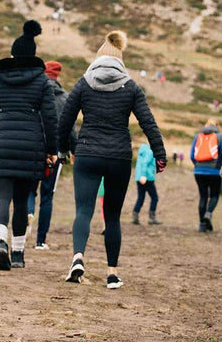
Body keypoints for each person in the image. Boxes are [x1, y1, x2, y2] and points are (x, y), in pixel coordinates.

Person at [58, 31, 167, 289]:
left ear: (97, 58)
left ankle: (78, 258)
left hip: (87, 153)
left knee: (83, 210)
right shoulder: (130, 86)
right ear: (120, 59)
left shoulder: (84, 83)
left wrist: (64, 149)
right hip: (118, 156)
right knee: (113, 216)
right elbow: (148, 123)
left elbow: (65, 121)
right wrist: (160, 155)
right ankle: (112, 273)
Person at [0, 20, 58, 270]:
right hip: (31, 145)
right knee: (23, 201)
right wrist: (51, 150)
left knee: (2, 197)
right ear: (34, 56)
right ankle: (18, 254)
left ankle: (0, 243)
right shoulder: (42, 81)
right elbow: (50, 117)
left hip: (1, 141)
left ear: (13, 54)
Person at [27, 60, 77, 250]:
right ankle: (40, 241)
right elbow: (70, 127)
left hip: (33, 147)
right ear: (57, 75)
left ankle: (27, 218)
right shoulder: (65, 97)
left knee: (30, 190)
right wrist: (74, 150)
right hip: (55, 152)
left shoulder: (34, 92)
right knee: (48, 195)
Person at [190, 118, 222, 232]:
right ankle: (208, 213)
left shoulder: (197, 136)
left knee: (203, 197)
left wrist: (198, 165)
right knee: (214, 195)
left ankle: (202, 225)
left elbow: (191, 155)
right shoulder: (220, 136)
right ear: (217, 125)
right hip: (214, 171)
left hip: (199, 171)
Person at [132, 141, 160, 225]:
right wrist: (144, 175)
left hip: (139, 177)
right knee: (155, 198)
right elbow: (145, 163)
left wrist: (140, 176)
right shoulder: (150, 151)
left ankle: (135, 217)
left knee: (141, 197)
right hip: (147, 178)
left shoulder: (142, 150)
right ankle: (152, 219)